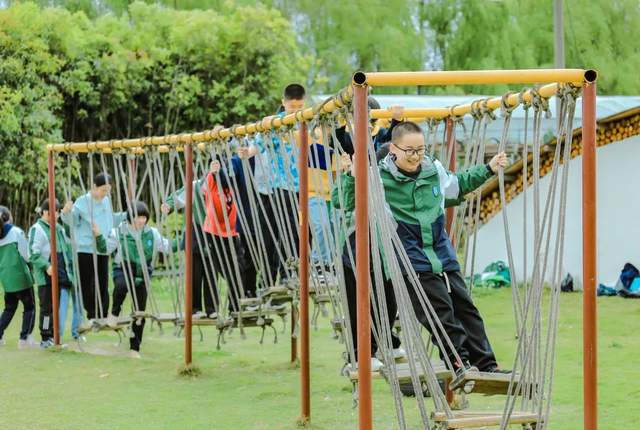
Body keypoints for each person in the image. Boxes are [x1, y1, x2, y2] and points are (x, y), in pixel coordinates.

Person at [333, 121, 509, 376]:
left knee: (466, 307)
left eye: (421, 150)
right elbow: (344, 201)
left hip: (441, 252)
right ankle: (459, 363)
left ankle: (487, 365)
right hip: (409, 258)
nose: (416, 156)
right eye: (410, 151)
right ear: (394, 149)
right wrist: (352, 175)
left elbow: (457, 185)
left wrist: (488, 168)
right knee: (439, 312)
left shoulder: (432, 169)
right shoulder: (377, 178)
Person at [237, 83, 305, 285]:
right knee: (281, 231)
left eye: (299, 106)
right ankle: (279, 276)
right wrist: (248, 152)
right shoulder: (275, 124)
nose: (295, 110)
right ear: (283, 103)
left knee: (295, 231)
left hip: (301, 188)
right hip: (280, 186)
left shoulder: (305, 121)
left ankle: (288, 273)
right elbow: (259, 144)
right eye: (291, 107)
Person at [106, 201, 173, 357]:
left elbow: (167, 246)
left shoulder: (152, 233)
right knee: (121, 286)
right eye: (138, 217)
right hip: (123, 269)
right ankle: (114, 313)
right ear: (130, 217)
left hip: (142, 273)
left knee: (139, 312)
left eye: (144, 217)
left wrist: (183, 241)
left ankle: (134, 348)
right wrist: (97, 238)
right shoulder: (118, 232)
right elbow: (105, 248)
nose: (141, 221)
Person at [62, 172, 125, 325]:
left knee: (102, 283)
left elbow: (111, 220)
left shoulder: (106, 201)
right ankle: (92, 314)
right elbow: (72, 221)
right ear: (94, 187)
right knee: (87, 284)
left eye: (108, 190)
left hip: (102, 247)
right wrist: (66, 212)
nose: (106, 193)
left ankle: (102, 314)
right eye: (103, 190)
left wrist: (128, 215)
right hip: (85, 249)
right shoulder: (82, 202)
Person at [28, 199, 79, 347]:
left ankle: (54, 336)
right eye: (53, 212)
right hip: (45, 277)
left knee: (55, 309)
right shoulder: (37, 229)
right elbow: (33, 253)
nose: (55, 215)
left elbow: (68, 245)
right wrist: (47, 266)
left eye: (57, 212)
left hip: (59, 275)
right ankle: (45, 337)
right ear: (45, 212)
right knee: (46, 309)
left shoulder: (59, 228)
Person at [0, 205, 36, 348]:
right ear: (8, 217)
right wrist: (31, 266)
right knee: (30, 308)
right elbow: (26, 255)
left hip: (6, 279)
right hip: (21, 278)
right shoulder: (16, 232)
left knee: (9, 309)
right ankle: (24, 339)